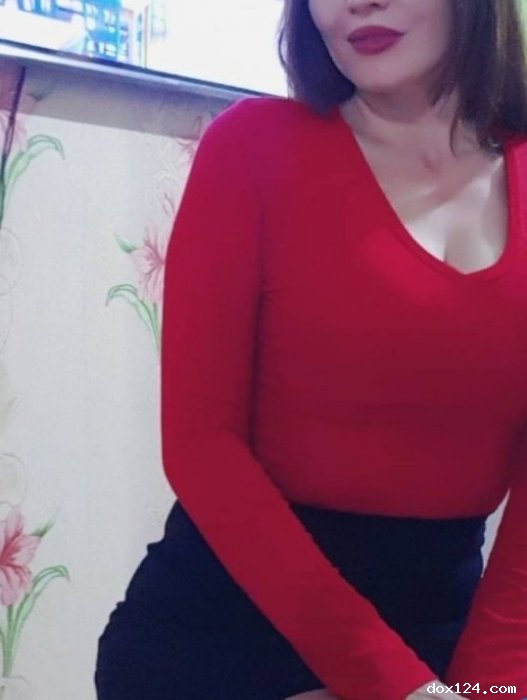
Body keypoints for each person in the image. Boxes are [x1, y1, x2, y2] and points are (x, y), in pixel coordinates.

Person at [94, 1, 527, 698]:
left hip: (443, 635)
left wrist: (488, 686)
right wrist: (397, 686)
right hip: (230, 633)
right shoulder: (252, 147)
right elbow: (201, 445)